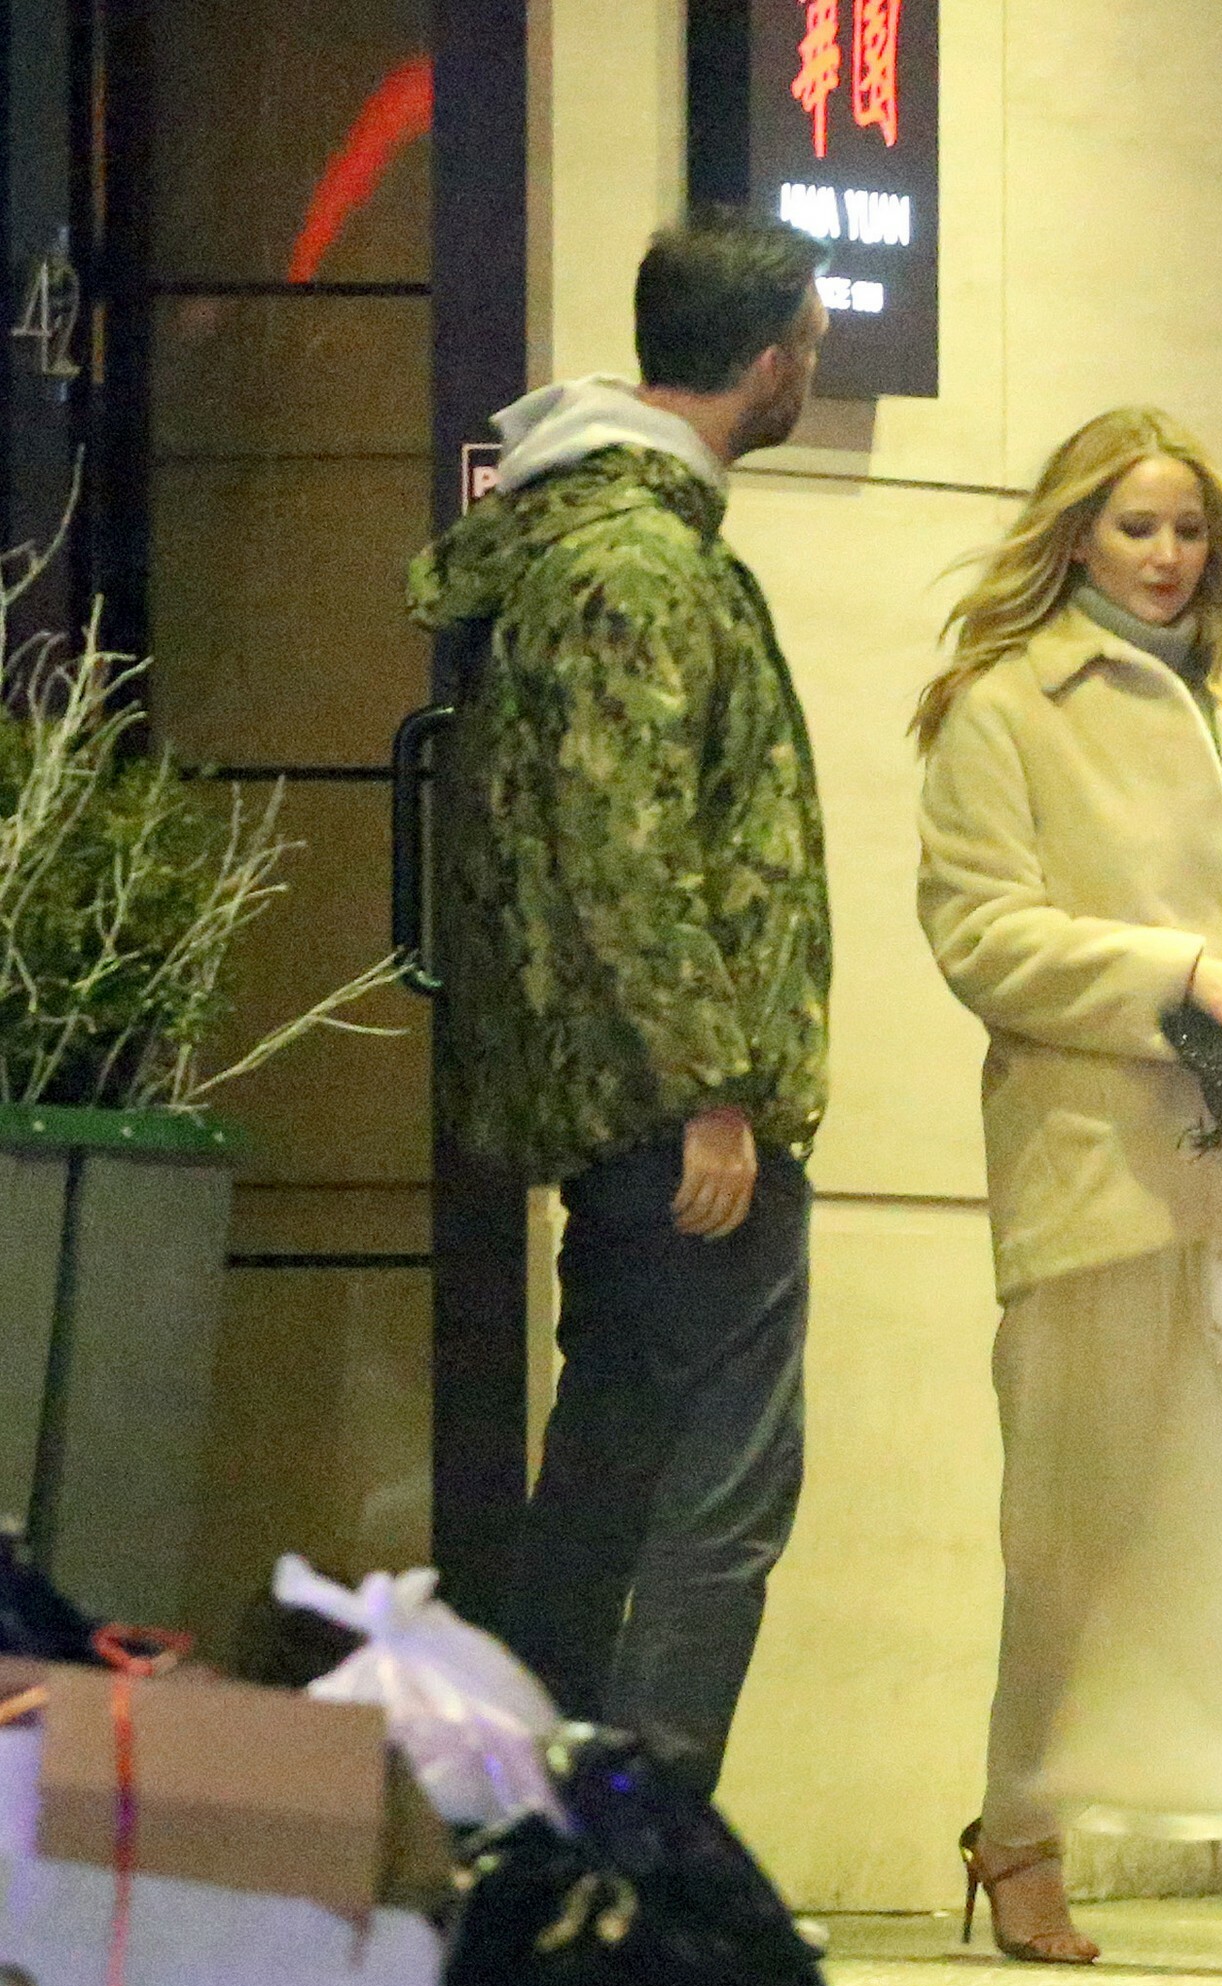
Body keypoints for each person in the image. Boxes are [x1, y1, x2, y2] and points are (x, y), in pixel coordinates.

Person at [914, 407, 1222, 1982]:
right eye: (1138, 526)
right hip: (1100, 1166)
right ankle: (1021, 1831)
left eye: (1189, 529)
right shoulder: (1006, 703)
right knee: (1070, 1521)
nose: (1167, 555)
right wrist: (1180, 976)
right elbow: (980, 932)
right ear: (1078, 531)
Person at [406, 208, 832, 1797]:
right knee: (720, 1490)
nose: (811, 372)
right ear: (772, 363)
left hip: (617, 1105)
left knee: (605, 1476)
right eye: (813, 350)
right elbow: (623, 843)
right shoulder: (639, 563)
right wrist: (711, 1084)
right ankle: (638, 1851)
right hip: (676, 1115)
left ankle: (535, 1827)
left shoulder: (597, 538)